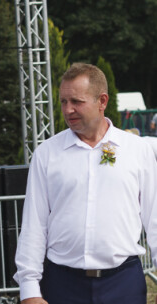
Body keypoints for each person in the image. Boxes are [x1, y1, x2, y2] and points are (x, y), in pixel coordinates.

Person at [13, 63, 157, 304]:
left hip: (124, 283)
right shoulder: (47, 153)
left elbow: (155, 219)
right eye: (63, 102)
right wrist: (29, 289)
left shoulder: (138, 150)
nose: (68, 110)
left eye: (77, 102)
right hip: (62, 283)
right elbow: (34, 224)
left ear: (102, 101)